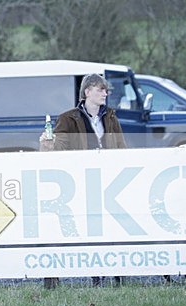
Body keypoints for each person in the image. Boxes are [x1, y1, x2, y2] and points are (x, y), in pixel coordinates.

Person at [40, 73, 127, 289]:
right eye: (100, 89)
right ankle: (53, 277)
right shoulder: (68, 118)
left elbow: (121, 148)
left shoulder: (111, 117)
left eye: (105, 90)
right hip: (78, 182)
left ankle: (105, 276)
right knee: (71, 227)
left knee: (106, 228)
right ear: (87, 91)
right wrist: (47, 145)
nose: (105, 94)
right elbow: (58, 149)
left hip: (107, 181)